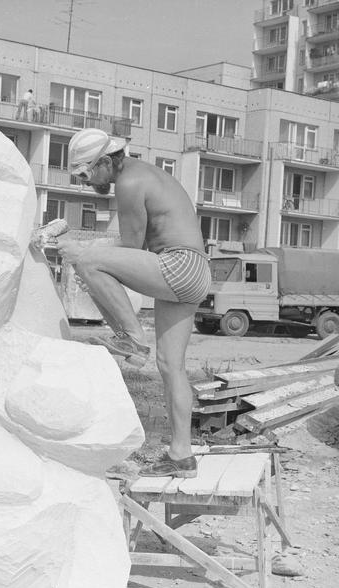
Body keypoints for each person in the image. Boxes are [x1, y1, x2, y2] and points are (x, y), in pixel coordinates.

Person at [53, 128, 211, 479]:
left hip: (178, 264)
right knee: (171, 366)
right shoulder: (146, 174)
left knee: (88, 262)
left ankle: (133, 337)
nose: (85, 182)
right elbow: (131, 245)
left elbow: (130, 246)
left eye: (86, 173)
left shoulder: (129, 182)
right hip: (195, 271)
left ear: (106, 162)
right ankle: (181, 456)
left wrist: (81, 248)